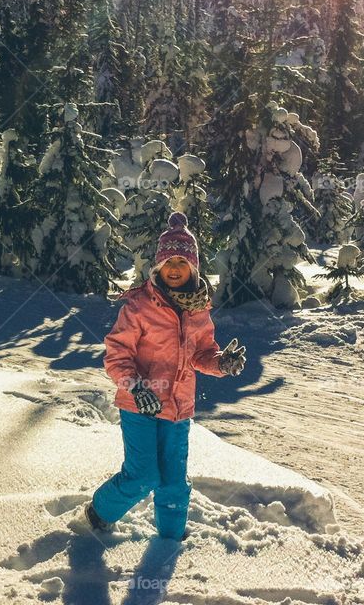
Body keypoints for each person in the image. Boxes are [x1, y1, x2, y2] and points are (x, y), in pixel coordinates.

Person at [86, 211, 246, 540]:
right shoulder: (139, 307)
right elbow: (117, 354)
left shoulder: (198, 308)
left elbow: (202, 354)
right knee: (143, 476)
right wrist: (135, 386)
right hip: (139, 406)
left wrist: (221, 363)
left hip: (178, 408)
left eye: (181, 263)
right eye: (168, 263)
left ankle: (170, 541)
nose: (174, 269)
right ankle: (99, 513)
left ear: (193, 268)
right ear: (158, 268)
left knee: (174, 480)